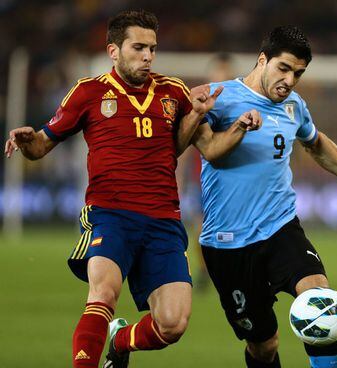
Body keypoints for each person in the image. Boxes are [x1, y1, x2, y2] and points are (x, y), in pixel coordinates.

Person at [4, 9, 224, 368]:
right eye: (138, 47)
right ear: (113, 51)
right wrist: (28, 140)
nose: (148, 56)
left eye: (152, 48)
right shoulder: (88, 92)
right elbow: (41, 145)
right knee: (103, 294)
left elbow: (179, 146)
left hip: (163, 220)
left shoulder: (174, 91)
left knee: (173, 324)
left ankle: (120, 343)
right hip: (109, 213)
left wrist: (197, 115)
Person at [190, 26, 337, 368]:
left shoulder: (294, 106)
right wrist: (226, 123)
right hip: (228, 244)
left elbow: (315, 142)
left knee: (321, 301)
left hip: (280, 228)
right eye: (283, 68)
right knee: (264, 346)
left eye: (298, 73)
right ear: (262, 60)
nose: (290, 79)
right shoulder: (217, 97)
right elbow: (205, 149)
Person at [177, 52, 237, 291]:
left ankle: (231, 271)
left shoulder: (239, 104)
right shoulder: (197, 103)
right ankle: (204, 271)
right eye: (218, 72)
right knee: (202, 228)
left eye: (226, 73)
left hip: (231, 179)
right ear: (211, 74)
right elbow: (183, 144)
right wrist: (179, 178)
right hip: (201, 178)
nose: (222, 77)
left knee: (233, 229)